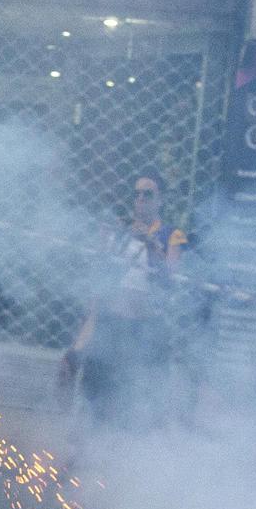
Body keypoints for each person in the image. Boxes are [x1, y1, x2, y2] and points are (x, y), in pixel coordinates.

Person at [59, 170, 190, 426]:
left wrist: (152, 247)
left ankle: (133, 453)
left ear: (160, 199)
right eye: (136, 194)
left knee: (143, 397)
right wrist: (82, 336)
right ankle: (85, 448)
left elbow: (170, 280)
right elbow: (100, 281)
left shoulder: (172, 235)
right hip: (112, 321)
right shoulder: (117, 231)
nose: (141, 199)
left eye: (148, 194)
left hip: (145, 327)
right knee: (95, 391)